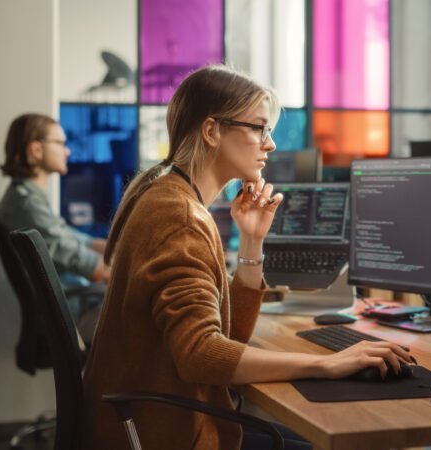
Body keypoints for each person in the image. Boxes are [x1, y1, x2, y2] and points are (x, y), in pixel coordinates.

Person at [81, 65, 413, 450]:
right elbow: (200, 355)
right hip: (163, 432)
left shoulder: (169, 195)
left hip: (149, 422)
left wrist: (252, 240)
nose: (269, 144)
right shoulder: (179, 217)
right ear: (211, 131)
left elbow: (227, 336)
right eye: (258, 128)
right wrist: (328, 364)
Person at [0, 113, 110, 321]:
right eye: (60, 143)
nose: (67, 150)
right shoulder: (26, 206)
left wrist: (121, 248)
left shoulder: (29, 200)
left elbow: (81, 241)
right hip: (73, 311)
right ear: (36, 150)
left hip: (73, 304)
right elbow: (94, 269)